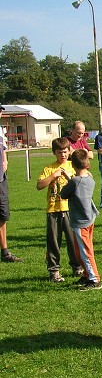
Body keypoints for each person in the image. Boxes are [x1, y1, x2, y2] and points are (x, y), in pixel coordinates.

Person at [36, 137, 83, 282]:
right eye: (59, 152)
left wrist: (68, 177)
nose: (62, 155)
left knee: (73, 241)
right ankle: (54, 270)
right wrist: (53, 175)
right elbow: (39, 185)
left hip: (70, 210)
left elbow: (82, 183)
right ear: (54, 153)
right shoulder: (49, 168)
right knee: (53, 241)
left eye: (65, 152)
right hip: (53, 210)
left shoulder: (73, 166)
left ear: (69, 151)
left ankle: (77, 267)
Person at [60, 149, 102, 291]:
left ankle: (95, 279)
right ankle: (86, 275)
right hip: (89, 218)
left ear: (73, 165)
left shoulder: (75, 181)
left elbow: (64, 193)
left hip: (80, 221)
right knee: (80, 250)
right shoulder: (89, 178)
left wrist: (68, 180)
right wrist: (70, 178)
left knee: (85, 251)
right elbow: (78, 186)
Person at [0, 104, 22, 263]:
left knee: (2, 215)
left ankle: (5, 252)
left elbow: (3, 148)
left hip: (1, 179)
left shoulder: (0, 131)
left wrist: (5, 160)